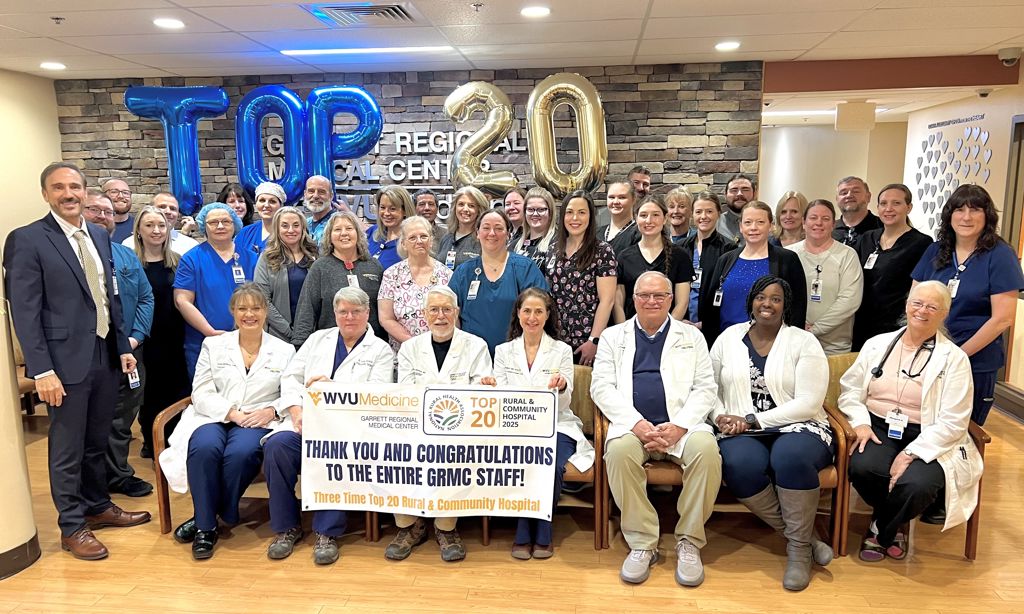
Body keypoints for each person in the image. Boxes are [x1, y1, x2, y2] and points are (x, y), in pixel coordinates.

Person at [4, 162, 147, 560]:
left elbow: (109, 296)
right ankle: (71, 526)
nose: (68, 194)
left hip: (104, 355)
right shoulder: (27, 239)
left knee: (97, 440)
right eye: (58, 187)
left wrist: (122, 346)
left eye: (75, 187)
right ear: (45, 194)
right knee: (67, 448)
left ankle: (97, 505)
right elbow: (25, 313)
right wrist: (42, 370)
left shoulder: (98, 235)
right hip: (62, 363)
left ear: (85, 192)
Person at [591, 271, 722, 587]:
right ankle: (642, 542)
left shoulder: (691, 337)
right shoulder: (613, 336)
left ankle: (689, 540)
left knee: (707, 452)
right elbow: (601, 387)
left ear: (670, 299)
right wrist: (635, 423)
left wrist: (679, 425)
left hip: (682, 426)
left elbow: (706, 388)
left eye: (659, 295)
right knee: (618, 452)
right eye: (644, 295)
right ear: (634, 299)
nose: (651, 301)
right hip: (634, 427)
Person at [839, 281, 982, 561]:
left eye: (932, 307)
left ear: (944, 314)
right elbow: (850, 390)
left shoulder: (955, 359)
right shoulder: (877, 344)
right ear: (907, 305)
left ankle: (882, 530)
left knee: (918, 485)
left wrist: (910, 453)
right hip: (878, 426)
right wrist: (860, 422)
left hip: (929, 434)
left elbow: (954, 420)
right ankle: (895, 524)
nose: (922, 311)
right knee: (863, 468)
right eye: (917, 303)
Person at [709, 275, 833, 591]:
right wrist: (719, 416)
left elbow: (809, 403)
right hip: (740, 428)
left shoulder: (804, 342)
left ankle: (798, 552)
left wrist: (752, 420)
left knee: (790, 458)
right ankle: (805, 540)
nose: (767, 304)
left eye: (776, 299)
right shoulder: (729, 338)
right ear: (751, 301)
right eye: (761, 297)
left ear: (785, 305)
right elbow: (709, 387)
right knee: (739, 464)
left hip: (799, 425)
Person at [158, 285, 295, 559]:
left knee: (241, 453)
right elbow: (201, 391)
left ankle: (210, 516)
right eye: (242, 308)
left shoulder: (285, 350)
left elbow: (291, 392)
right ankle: (206, 529)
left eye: (256, 308)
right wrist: (231, 413)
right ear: (233, 312)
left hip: (257, 418)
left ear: (265, 312)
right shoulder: (214, 345)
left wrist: (271, 410)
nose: (249, 314)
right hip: (214, 416)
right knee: (204, 448)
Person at [264, 286, 393, 565]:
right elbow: (291, 377)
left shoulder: (381, 351)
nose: (349, 317)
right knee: (277, 447)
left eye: (356, 311)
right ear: (335, 313)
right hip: (305, 423)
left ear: (367, 313)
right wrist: (296, 410)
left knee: (334, 450)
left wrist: (332, 389)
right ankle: (287, 528)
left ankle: (327, 532)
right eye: (343, 311)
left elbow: (376, 396)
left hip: (350, 430)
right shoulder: (317, 340)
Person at [389, 286, 491, 562]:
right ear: (424, 314)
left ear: (456, 312)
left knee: (451, 452)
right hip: (416, 425)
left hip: (461, 427)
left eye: (447, 309)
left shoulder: (476, 345)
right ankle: (409, 527)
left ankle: (446, 528)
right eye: (434, 310)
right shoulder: (410, 348)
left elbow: (481, 393)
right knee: (396, 452)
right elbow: (406, 394)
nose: (440, 315)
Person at [494, 288, 596, 560]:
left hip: (556, 425)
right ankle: (525, 528)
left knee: (548, 462)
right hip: (515, 427)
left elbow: (565, 402)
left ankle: (539, 531)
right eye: (527, 311)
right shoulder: (503, 351)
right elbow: (500, 397)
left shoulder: (561, 350)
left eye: (539, 311)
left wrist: (561, 387)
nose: (532, 317)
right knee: (522, 460)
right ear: (518, 314)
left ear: (548, 315)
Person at [911, 184, 1024, 425]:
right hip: (929, 355)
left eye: (975, 210)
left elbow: (1002, 319)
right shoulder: (935, 250)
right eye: (959, 209)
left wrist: (956, 355)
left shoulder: (1000, 255)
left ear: (987, 216)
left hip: (974, 361)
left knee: (962, 431)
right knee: (922, 424)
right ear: (949, 215)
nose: (966, 217)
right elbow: (914, 302)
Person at [82, 190, 155, 498]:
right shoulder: (75, 255)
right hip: (90, 353)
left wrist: (135, 337)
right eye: (94, 210)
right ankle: (93, 482)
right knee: (94, 418)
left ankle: (118, 474)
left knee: (123, 416)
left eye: (108, 212)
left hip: (130, 351)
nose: (102, 216)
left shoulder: (124, 255)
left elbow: (145, 297)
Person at [699, 201, 807, 348]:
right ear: (741, 226)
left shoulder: (787, 260)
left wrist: (790, 346)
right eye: (748, 222)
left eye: (760, 222)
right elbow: (710, 308)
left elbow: (797, 308)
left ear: (771, 226)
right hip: (727, 344)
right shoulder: (725, 260)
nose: (753, 227)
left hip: (772, 345)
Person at [173, 202, 257, 379]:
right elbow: (182, 301)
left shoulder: (251, 257)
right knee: (208, 392)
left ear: (235, 224)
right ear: (204, 226)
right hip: (205, 343)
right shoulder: (192, 259)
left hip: (247, 342)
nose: (220, 226)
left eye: (226, 221)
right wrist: (210, 332)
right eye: (213, 222)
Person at [449, 209, 549, 356]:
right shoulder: (463, 273)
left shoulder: (524, 268)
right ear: (477, 233)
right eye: (486, 228)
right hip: (472, 357)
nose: (492, 233)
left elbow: (541, 310)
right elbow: (450, 313)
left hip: (517, 356)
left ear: (508, 234)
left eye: (498, 228)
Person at [132, 206, 190, 460]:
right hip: (144, 339)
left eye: (161, 225)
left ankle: (175, 442)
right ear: (138, 231)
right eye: (149, 225)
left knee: (177, 389)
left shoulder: (179, 262)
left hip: (175, 338)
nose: (156, 230)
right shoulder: (130, 264)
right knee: (149, 392)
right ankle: (152, 441)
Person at [852, 184, 932, 351]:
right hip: (861, 323)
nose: (888, 209)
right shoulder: (866, 238)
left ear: (908, 207)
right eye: (883, 203)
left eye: (896, 203)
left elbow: (921, 289)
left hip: (896, 326)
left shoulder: (921, 243)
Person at [292, 210, 386, 346]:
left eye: (349, 228)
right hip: (331, 346)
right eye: (337, 229)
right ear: (329, 236)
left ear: (358, 234)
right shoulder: (320, 267)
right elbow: (306, 309)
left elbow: (384, 311)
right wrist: (299, 345)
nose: (344, 233)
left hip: (371, 345)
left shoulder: (374, 266)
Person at [544, 190, 617, 366]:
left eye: (582, 212)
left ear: (590, 216)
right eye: (569, 212)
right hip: (555, 341)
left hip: (586, 342)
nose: (575, 218)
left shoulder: (602, 251)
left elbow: (607, 300)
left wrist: (594, 340)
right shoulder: (553, 248)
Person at [787, 199, 863, 355]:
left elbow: (849, 300)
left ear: (833, 224)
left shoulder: (847, 255)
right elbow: (783, 296)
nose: (819, 223)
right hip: (794, 340)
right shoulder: (789, 254)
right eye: (813, 218)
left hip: (835, 346)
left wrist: (815, 329)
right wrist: (799, 327)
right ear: (804, 222)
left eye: (826, 218)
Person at [614, 195, 694, 323]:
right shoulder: (624, 257)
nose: (649, 220)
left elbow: (682, 303)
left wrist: (665, 330)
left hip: (670, 331)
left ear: (665, 218)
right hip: (632, 330)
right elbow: (618, 304)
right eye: (643, 215)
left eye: (655, 215)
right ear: (636, 218)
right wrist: (624, 330)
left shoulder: (680, 256)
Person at [378, 216, 452, 353]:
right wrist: (415, 345)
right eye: (412, 238)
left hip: (440, 351)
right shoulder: (391, 274)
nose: (419, 241)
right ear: (403, 244)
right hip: (404, 353)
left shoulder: (447, 275)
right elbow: (386, 318)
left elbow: (453, 317)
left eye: (423, 236)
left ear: (431, 241)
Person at [254, 206, 318, 343]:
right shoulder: (266, 258)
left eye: (296, 225)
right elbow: (262, 300)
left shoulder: (316, 255)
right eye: (284, 226)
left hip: (314, 336)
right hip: (278, 336)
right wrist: (288, 331)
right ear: (277, 229)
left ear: (303, 228)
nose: (291, 230)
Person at [681, 191, 737, 329]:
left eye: (709, 211)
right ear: (692, 215)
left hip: (714, 326)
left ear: (718, 214)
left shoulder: (729, 248)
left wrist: (706, 324)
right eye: (698, 212)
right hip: (682, 323)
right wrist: (679, 319)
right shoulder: (681, 247)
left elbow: (728, 291)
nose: (703, 216)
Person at [121, 191, 198, 255]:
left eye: (173, 208)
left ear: (178, 214)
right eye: (162, 207)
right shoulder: (129, 245)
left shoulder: (190, 246)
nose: (168, 211)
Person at [234, 181, 285, 272]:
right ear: (256, 204)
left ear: (280, 206)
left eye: (272, 201)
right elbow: (236, 262)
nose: (266, 205)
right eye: (262, 200)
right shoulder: (245, 232)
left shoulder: (286, 233)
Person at [437, 185, 487, 271]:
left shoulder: (483, 239)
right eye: (461, 204)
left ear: (479, 210)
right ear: (455, 208)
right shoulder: (446, 238)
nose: (465, 209)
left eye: (471, 206)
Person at [367, 185, 415, 271]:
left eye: (392, 209)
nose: (386, 213)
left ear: (405, 211)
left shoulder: (412, 243)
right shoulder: (371, 232)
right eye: (382, 207)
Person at [511, 186, 557, 268]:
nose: (535, 214)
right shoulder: (514, 245)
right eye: (530, 209)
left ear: (550, 212)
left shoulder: (558, 244)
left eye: (541, 209)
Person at [833, 176, 882, 246]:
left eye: (855, 191)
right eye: (844, 193)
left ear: (868, 197)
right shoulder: (828, 230)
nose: (849, 195)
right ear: (837, 199)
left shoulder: (883, 228)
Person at [597, 180, 641, 255]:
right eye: (611, 197)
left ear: (633, 199)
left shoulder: (639, 234)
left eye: (622, 197)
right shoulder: (597, 233)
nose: (615, 202)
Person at [717, 174, 757, 245]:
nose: (739, 194)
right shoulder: (716, 224)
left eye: (745, 190)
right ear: (725, 195)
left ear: (754, 194)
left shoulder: (770, 222)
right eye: (734, 190)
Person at [303, 175, 336, 244]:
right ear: (305, 194)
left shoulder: (339, 222)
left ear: (331, 195)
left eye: (321, 192)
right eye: (311, 191)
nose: (315, 196)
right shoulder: (304, 224)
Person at [103, 177, 135, 243]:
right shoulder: (96, 226)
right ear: (103, 196)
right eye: (114, 192)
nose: (121, 196)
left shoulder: (139, 226)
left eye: (125, 193)